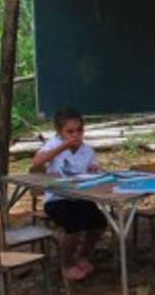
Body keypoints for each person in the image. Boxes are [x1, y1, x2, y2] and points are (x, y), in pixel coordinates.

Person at [31, 107, 106, 282]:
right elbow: (37, 161)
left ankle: (83, 256)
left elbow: (94, 172)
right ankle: (66, 264)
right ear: (60, 132)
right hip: (57, 199)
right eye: (70, 131)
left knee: (99, 223)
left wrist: (95, 170)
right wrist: (64, 145)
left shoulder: (87, 151)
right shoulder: (54, 144)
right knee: (74, 226)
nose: (76, 135)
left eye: (79, 130)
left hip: (80, 197)